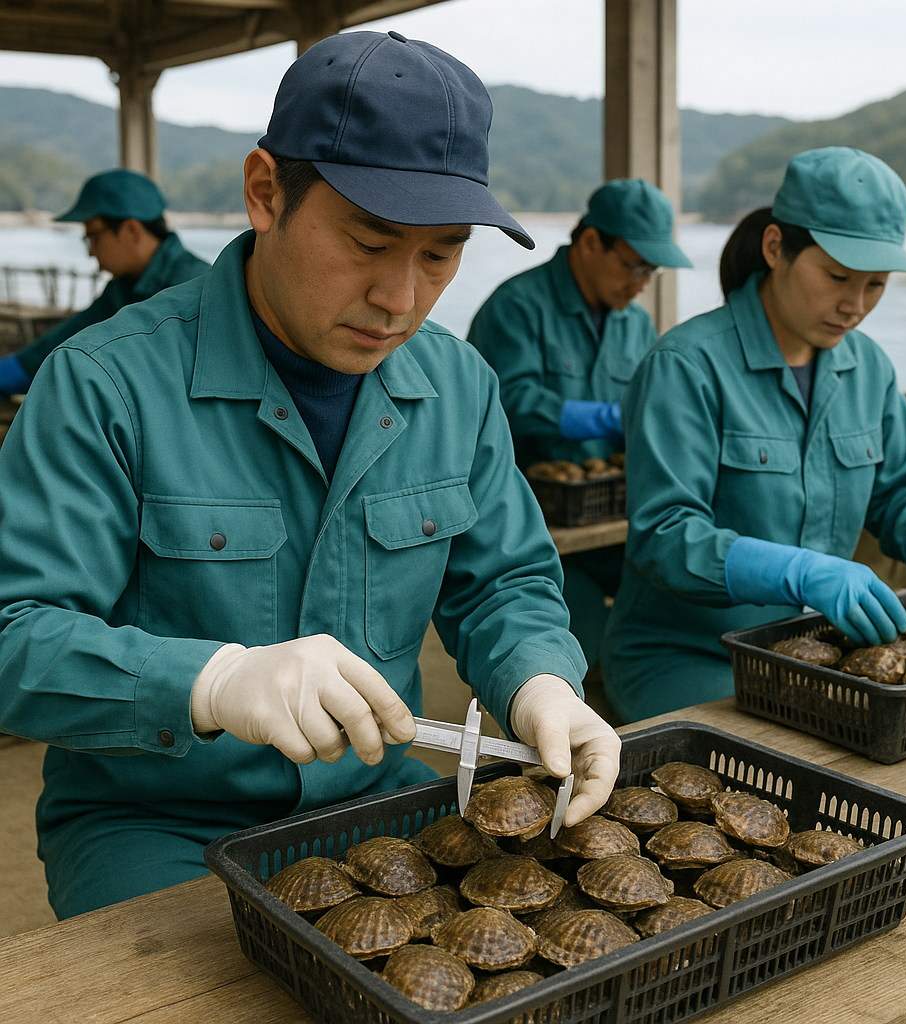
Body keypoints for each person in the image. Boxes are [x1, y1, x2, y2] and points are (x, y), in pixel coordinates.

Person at [0, 30, 620, 919]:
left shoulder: (458, 387)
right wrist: (209, 683)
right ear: (265, 193)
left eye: (440, 254)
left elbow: (503, 584)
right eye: (369, 241)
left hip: (369, 801)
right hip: (157, 820)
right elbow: (14, 633)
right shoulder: (107, 384)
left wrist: (541, 683)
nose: (400, 298)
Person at [600, 146, 906, 722]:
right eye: (838, 276)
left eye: (876, 284)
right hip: (686, 657)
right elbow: (666, 537)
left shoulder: (867, 367)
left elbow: (904, 490)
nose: (855, 305)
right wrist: (797, 571)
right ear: (776, 248)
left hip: (813, 652)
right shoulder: (685, 366)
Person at [468, 179, 691, 669]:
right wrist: (607, 417)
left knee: (672, 593)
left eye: (650, 271)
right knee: (570, 626)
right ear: (591, 242)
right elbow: (507, 402)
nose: (641, 283)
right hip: (529, 524)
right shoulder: (517, 306)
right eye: (634, 266)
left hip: (610, 517)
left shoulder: (634, 323)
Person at [0, 168, 210, 394]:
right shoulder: (124, 288)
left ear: (131, 230)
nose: (91, 252)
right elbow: (58, 344)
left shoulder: (196, 289)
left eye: (93, 237)